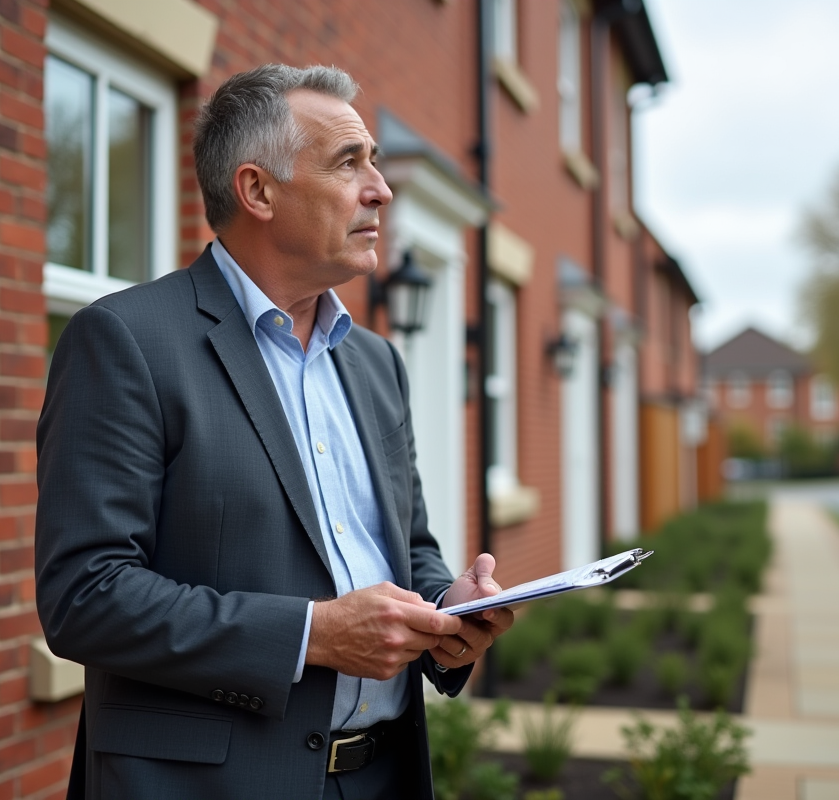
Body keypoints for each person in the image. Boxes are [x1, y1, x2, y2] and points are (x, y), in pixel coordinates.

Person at [35, 64, 514, 800]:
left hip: (383, 776)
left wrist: (448, 609)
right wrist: (313, 634)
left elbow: (406, 545)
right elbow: (86, 596)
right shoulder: (126, 340)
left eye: (376, 164)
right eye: (349, 163)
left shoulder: (376, 362)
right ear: (258, 190)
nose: (379, 189)